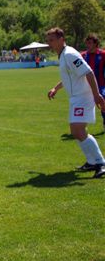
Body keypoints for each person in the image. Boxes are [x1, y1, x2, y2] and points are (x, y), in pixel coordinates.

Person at [46, 28, 105, 178]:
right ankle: (92, 161)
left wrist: (96, 95)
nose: (49, 43)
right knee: (77, 132)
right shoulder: (64, 55)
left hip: (83, 97)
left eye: (52, 40)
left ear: (61, 39)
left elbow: (89, 72)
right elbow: (69, 78)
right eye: (48, 40)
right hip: (76, 98)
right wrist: (56, 88)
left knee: (78, 131)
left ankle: (100, 162)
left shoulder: (70, 54)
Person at [81, 33, 105, 131]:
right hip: (86, 86)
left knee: (103, 99)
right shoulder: (82, 55)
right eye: (86, 43)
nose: (87, 45)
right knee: (82, 104)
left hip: (101, 84)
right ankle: (81, 126)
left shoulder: (103, 54)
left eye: (90, 43)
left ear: (95, 43)